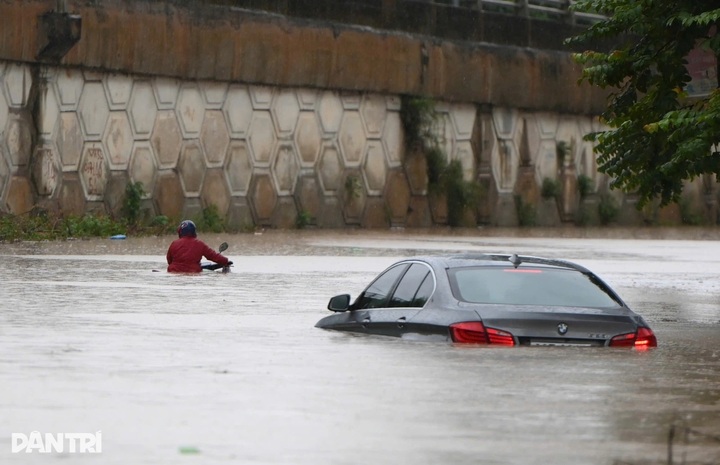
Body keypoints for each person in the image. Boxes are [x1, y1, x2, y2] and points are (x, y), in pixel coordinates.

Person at [166, 220, 232, 273]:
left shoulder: (174, 244)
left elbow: (169, 260)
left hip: (173, 272)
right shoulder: (199, 244)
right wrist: (225, 261)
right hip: (194, 273)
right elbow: (213, 256)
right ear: (194, 232)